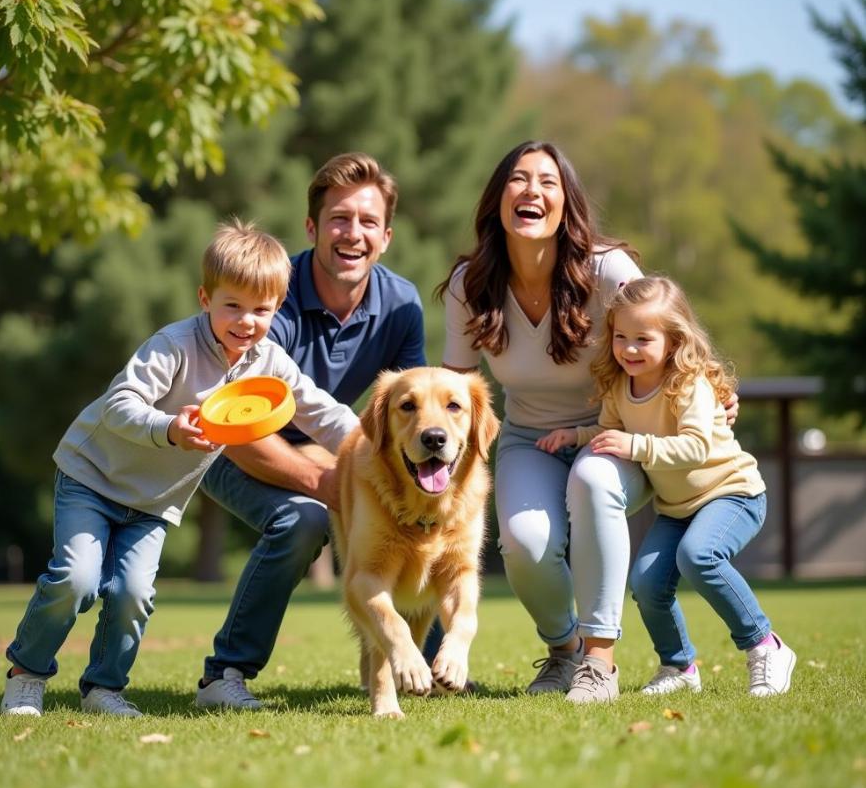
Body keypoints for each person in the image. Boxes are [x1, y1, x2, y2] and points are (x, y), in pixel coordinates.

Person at [0, 220, 359, 717]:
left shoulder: (269, 361)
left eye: (261, 310)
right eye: (232, 305)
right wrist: (169, 427)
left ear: (278, 309)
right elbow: (119, 403)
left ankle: (103, 688)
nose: (246, 321)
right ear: (204, 298)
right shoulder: (173, 345)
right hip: (94, 478)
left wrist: (374, 446)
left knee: (133, 594)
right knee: (77, 578)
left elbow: (322, 412)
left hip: (155, 500)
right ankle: (27, 674)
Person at [195, 152, 431, 710]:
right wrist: (323, 481)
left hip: (335, 447)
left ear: (387, 236)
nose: (353, 234)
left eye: (368, 222)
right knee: (301, 521)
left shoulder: (402, 306)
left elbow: (403, 422)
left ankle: (425, 660)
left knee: (420, 513)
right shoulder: (270, 300)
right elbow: (236, 427)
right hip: (225, 442)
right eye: (339, 219)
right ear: (312, 227)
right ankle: (223, 675)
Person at [438, 140, 647, 704]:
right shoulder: (470, 284)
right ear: (498, 200)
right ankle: (563, 653)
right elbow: (453, 389)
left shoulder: (607, 271)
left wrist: (712, 392)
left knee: (592, 480)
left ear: (566, 203)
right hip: (528, 436)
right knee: (524, 544)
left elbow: (665, 336)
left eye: (548, 182)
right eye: (519, 179)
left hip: (611, 431)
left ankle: (599, 663)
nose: (532, 191)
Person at [537, 276, 796, 697]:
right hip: (677, 508)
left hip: (732, 493)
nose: (629, 349)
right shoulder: (620, 387)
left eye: (643, 339)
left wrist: (635, 445)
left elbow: (695, 448)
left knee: (700, 556)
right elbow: (610, 432)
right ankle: (678, 667)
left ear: (674, 341)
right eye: (621, 337)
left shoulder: (688, 384)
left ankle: (766, 646)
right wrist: (576, 437)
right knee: (646, 583)